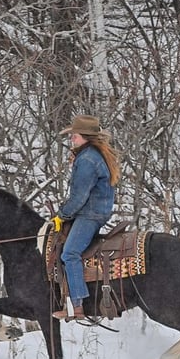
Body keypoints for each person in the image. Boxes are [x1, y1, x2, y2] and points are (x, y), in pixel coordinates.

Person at [51, 115, 121, 320]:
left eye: (75, 135)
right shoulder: (91, 155)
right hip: (94, 211)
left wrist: (62, 215)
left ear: (86, 137)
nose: (72, 138)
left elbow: (79, 197)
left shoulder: (88, 160)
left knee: (70, 253)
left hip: (90, 214)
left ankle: (77, 306)